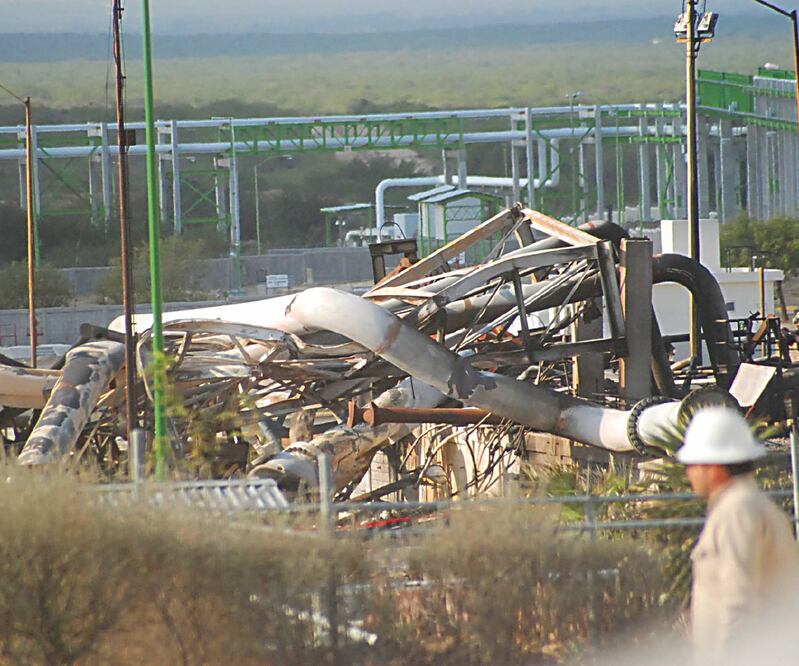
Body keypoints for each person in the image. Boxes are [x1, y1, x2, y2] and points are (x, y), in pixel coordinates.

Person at [676, 407, 799, 664]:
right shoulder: (748, 505)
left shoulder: (737, 510)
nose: (689, 473)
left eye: (693, 464)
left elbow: (738, 601)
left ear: (715, 468)